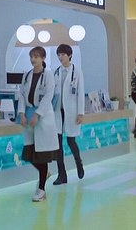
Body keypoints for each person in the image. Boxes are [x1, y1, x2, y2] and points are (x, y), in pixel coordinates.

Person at [17, 46, 59, 202]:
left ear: (43, 58)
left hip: (43, 118)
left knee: (42, 156)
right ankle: (45, 174)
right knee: (28, 154)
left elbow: (48, 96)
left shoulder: (48, 75)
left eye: (36, 56)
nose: (33, 59)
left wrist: (37, 114)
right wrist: (21, 113)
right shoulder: (27, 75)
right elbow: (21, 95)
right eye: (31, 56)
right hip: (28, 116)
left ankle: (41, 190)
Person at [52, 44, 85, 185]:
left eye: (63, 54)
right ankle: (62, 175)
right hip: (57, 112)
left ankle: (79, 163)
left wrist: (80, 113)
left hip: (71, 112)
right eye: (58, 55)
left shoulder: (77, 71)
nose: (60, 57)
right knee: (58, 144)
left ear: (69, 55)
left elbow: (80, 93)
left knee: (71, 141)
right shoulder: (56, 72)